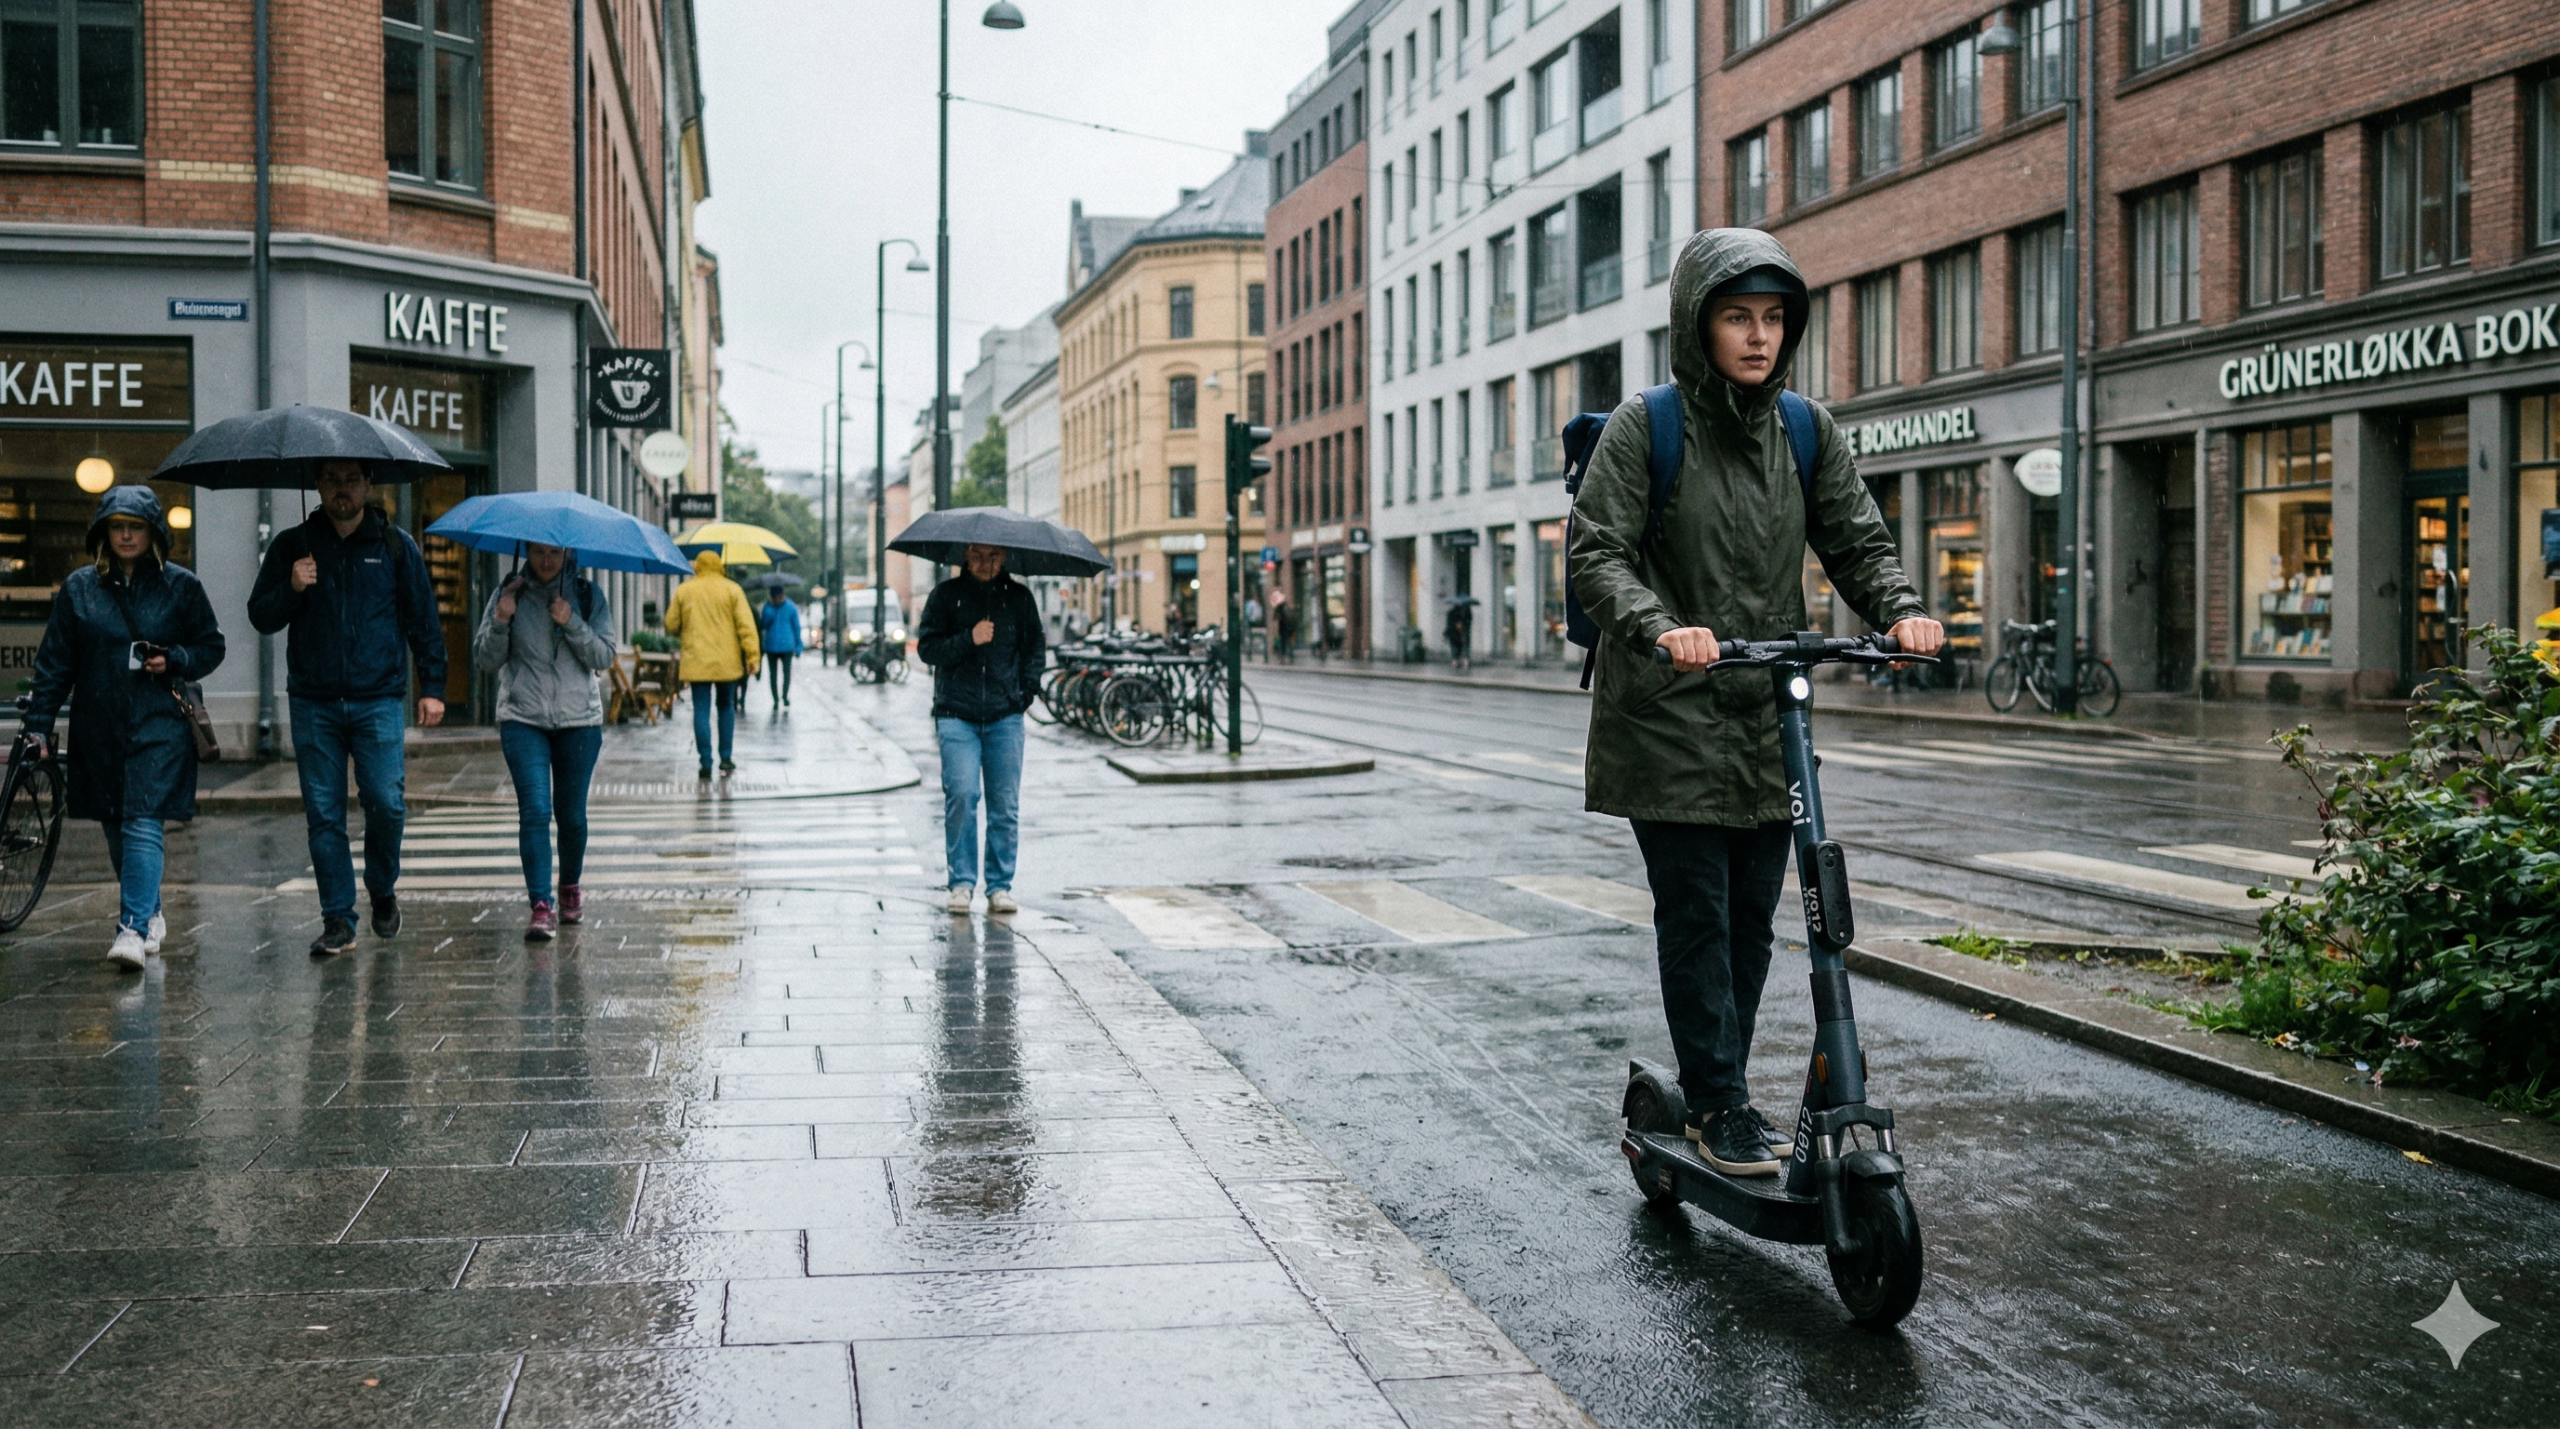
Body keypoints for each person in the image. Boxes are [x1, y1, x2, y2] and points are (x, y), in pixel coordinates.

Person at [1570, 229, 1944, 1179]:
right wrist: (1662, 625)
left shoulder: (1805, 430)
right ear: (1700, 324)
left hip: (1766, 715)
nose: (1758, 336)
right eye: (1738, 316)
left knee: (1754, 918)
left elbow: (1856, 540)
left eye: (1774, 318)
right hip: (1669, 710)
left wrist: (1902, 612)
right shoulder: (1645, 426)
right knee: (1697, 912)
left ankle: (1717, 1090)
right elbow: (1596, 551)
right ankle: (1720, 1104)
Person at [19, 488, 225, 970]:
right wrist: (38, 726)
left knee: (142, 817)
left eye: (135, 526)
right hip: (99, 724)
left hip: (159, 724)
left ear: (153, 532)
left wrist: (173, 658)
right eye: (117, 526)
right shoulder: (80, 589)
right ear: (103, 533)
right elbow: (55, 664)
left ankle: (130, 928)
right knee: (116, 824)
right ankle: (150, 912)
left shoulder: (181, 586)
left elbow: (210, 647)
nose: (126, 534)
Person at [248, 459, 447, 957]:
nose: (342, 489)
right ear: (317, 485)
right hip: (314, 701)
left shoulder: (395, 546)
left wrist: (433, 686)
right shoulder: (294, 546)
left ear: (368, 485)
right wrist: (292, 587)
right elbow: (260, 615)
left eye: (352, 480)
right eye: (332, 480)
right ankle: (338, 918)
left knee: (387, 802)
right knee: (324, 815)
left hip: (378, 698)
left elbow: (423, 618)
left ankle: (382, 888)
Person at [472, 541, 613, 940]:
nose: (546, 561)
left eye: (554, 553)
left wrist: (571, 622)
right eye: (537, 552)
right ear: (527, 553)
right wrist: (501, 618)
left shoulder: (588, 595)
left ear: (568, 553)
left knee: (571, 816)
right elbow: (485, 659)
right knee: (534, 811)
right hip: (523, 719)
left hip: (579, 723)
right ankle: (541, 905)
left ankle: (569, 886)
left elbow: (603, 656)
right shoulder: (508, 593)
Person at [916, 542, 1043, 917]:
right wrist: (969, 639)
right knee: (962, 795)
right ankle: (961, 883)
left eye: (993, 556)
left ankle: (1000, 886)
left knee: (1004, 805)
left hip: (1005, 715)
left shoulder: (1019, 598)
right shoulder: (946, 597)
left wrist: (1026, 691)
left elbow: (1035, 647)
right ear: (964, 557)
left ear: (1004, 558)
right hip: (957, 713)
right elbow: (927, 649)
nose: (985, 564)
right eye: (977, 556)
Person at [662, 550, 759, 777]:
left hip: (697, 662)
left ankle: (705, 761)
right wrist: (752, 657)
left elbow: (670, 624)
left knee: (701, 711)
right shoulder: (732, 589)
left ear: (698, 566)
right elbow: (746, 627)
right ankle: (726, 757)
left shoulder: (685, 590)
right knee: (726, 708)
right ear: (719, 566)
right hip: (728, 663)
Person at [756, 584, 804, 709]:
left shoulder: (791, 607)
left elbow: (796, 627)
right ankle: (775, 699)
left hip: (787, 646)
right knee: (773, 674)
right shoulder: (767, 607)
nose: (777, 598)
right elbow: (763, 625)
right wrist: (769, 614)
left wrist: (798, 646)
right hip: (771, 646)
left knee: (786, 673)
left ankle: (784, 696)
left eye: (779, 596)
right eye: (775, 596)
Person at [1444, 599, 1474, 671]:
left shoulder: (1465, 613)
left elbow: (1468, 621)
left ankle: (1460, 660)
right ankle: (1456, 660)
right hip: (1455, 634)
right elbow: (1450, 623)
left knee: (1462, 647)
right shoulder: (1453, 613)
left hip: (1461, 633)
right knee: (1456, 647)